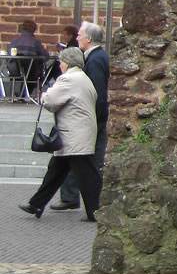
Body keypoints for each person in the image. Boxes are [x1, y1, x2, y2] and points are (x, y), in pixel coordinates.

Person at [19, 47, 100, 221]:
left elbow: (50, 101)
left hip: (74, 134)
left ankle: (96, 211)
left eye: (61, 62)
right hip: (78, 133)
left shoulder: (68, 79)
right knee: (55, 172)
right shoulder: (83, 78)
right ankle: (36, 204)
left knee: (87, 175)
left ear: (68, 63)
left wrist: (44, 94)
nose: (60, 65)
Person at [54, 22, 107, 212]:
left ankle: (89, 203)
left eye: (80, 35)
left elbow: (97, 92)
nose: (77, 38)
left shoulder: (95, 60)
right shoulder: (95, 57)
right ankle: (70, 197)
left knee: (85, 162)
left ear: (89, 38)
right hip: (88, 120)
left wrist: (93, 117)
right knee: (73, 161)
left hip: (89, 120)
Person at [8, 19, 49, 99]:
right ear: (34, 30)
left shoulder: (14, 41)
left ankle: (19, 95)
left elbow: (9, 56)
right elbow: (45, 56)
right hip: (31, 72)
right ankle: (24, 95)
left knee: (26, 72)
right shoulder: (35, 42)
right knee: (35, 73)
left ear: (23, 28)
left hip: (15, 72)